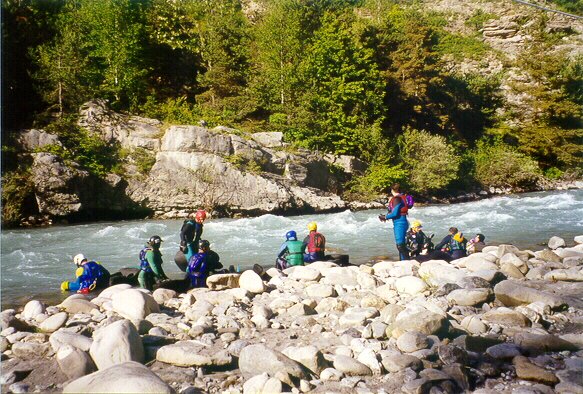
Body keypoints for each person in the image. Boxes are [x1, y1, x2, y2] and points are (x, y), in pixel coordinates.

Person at [379, 183, 410, 260]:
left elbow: (395, 214)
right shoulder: (402, 197)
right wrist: (386, 217)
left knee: (400, 245)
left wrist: (385, 217)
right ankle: (403, 261)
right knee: (401, 244)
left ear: (392, 190)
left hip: (399, 223)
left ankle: (406, 262)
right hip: (402, 221)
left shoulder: (397, 199)